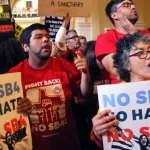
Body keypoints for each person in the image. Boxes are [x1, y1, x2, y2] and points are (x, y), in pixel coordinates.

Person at [8, 23, 90, 150]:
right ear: (25, 46)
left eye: (47, 36)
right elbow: (7, 115)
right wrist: (16, 108)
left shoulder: (64, 66)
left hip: (68, 144)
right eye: (38, 37)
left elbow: (83, 93)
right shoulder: (13, 75)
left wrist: (85, 73)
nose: (46, 39)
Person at [92, 32, 150, 149]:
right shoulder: (114, 96)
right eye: (140, 53)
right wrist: (97, 133)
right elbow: (104, 142)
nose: (148, 55)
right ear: (126, 64)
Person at [95, 0, 150, 84]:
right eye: (126, 5)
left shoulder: (147, 33)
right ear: (114, 15)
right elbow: (118, 73)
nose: (133, 7)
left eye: (132, 4)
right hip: (126, 93)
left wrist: (134, 32)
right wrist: (134, 33)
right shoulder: (105, 38)